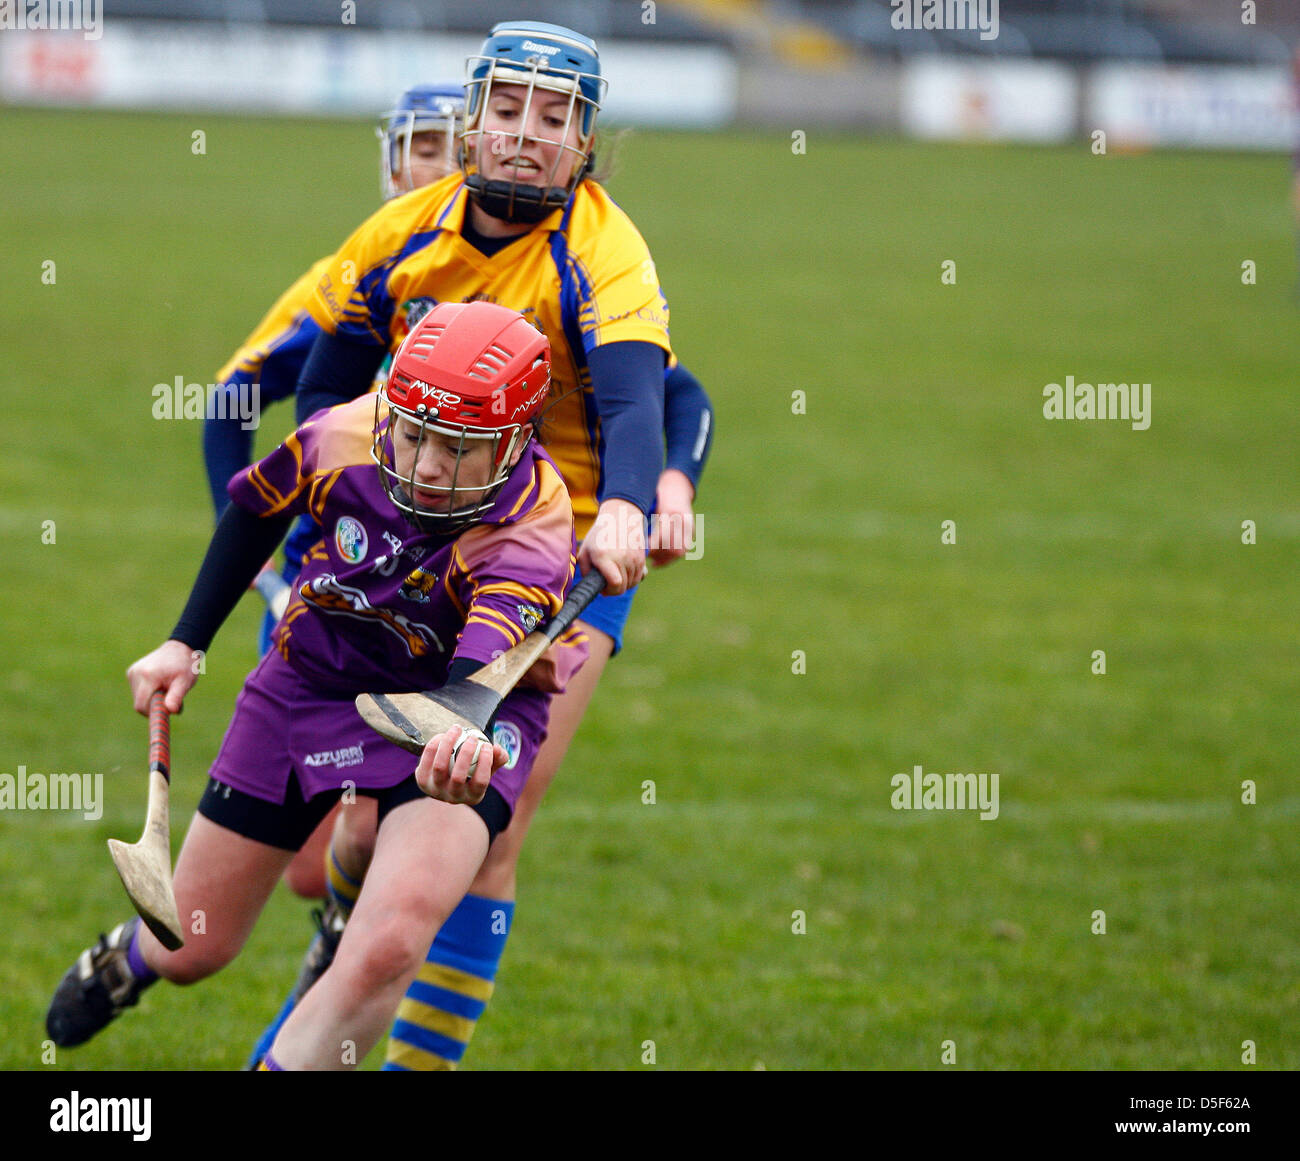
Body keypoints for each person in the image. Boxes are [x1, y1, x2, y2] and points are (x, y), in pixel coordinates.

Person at [251, 20, 715, 1072]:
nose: (526, 135)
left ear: (586, 141)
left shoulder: (605, 249)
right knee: (355, 836)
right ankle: (342, 948)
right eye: (508, 109)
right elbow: (320, 386)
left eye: (556, 118)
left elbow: (647, 397)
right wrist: (334, 502)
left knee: (485, 831)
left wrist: (634, 505)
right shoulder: (408, 230)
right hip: (411, 545)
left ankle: (404, 1059)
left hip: (561, 564)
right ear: (473, 118)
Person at [45, 300, 588, 1071]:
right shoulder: (346, 430)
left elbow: (476, 676)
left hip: (468, 710)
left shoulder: (532, 523)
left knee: (389, 945)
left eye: (458, 448)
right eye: (414, 434)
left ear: (512, 442)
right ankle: (128, 960)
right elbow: (254, 510)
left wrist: (458, 738)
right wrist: (183, 641)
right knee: (191, 943)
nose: (426, 464)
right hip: (314, 676)